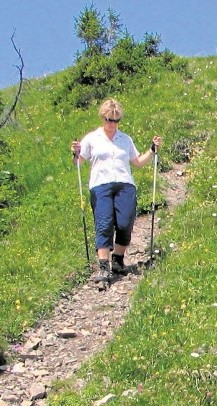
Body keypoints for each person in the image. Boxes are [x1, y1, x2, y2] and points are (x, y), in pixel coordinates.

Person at [71, 98, 162, 283]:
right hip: (100, 185)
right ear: (102, 118)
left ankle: (118, 260)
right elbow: (79, 162)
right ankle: (103, 267)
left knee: (125, 222)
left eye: (116, 120)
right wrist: (75, 153)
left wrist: (152, 150)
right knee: (104, 223)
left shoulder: (125, 139)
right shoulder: (92, 138)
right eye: (109, 119)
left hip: (125, 184)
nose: (112, 124)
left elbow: (137, 162)